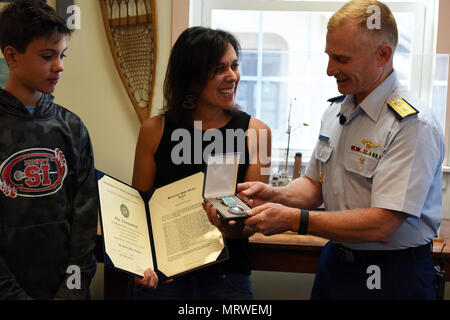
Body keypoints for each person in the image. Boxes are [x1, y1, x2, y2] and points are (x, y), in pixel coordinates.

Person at [207, 0, 445, 300]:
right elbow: (314, 185)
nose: (330, 69)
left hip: (393, 274)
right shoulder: (337, 111)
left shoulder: (412, 124)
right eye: (329, 56)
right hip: (336, 263)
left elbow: (383, 224)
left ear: (382, 55)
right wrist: (274, 195)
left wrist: (294, 219)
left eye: (342, 59)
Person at [132, 26, 271, 300]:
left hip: (226, 277)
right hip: (164, 278)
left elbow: (255, 219)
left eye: (234, 65)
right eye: (219, 69)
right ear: (191, 78)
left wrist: (236, 227)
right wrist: (138, 263)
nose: (233, 76)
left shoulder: (259, 134)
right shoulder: (153, 130)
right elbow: (140, 209)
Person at [0, 0, 98, 299]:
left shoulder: (73, 127)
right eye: (47, 56)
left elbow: (85, 218)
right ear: (12, 57)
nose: (60, 65)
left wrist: (71, 290)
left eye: (62, 55)